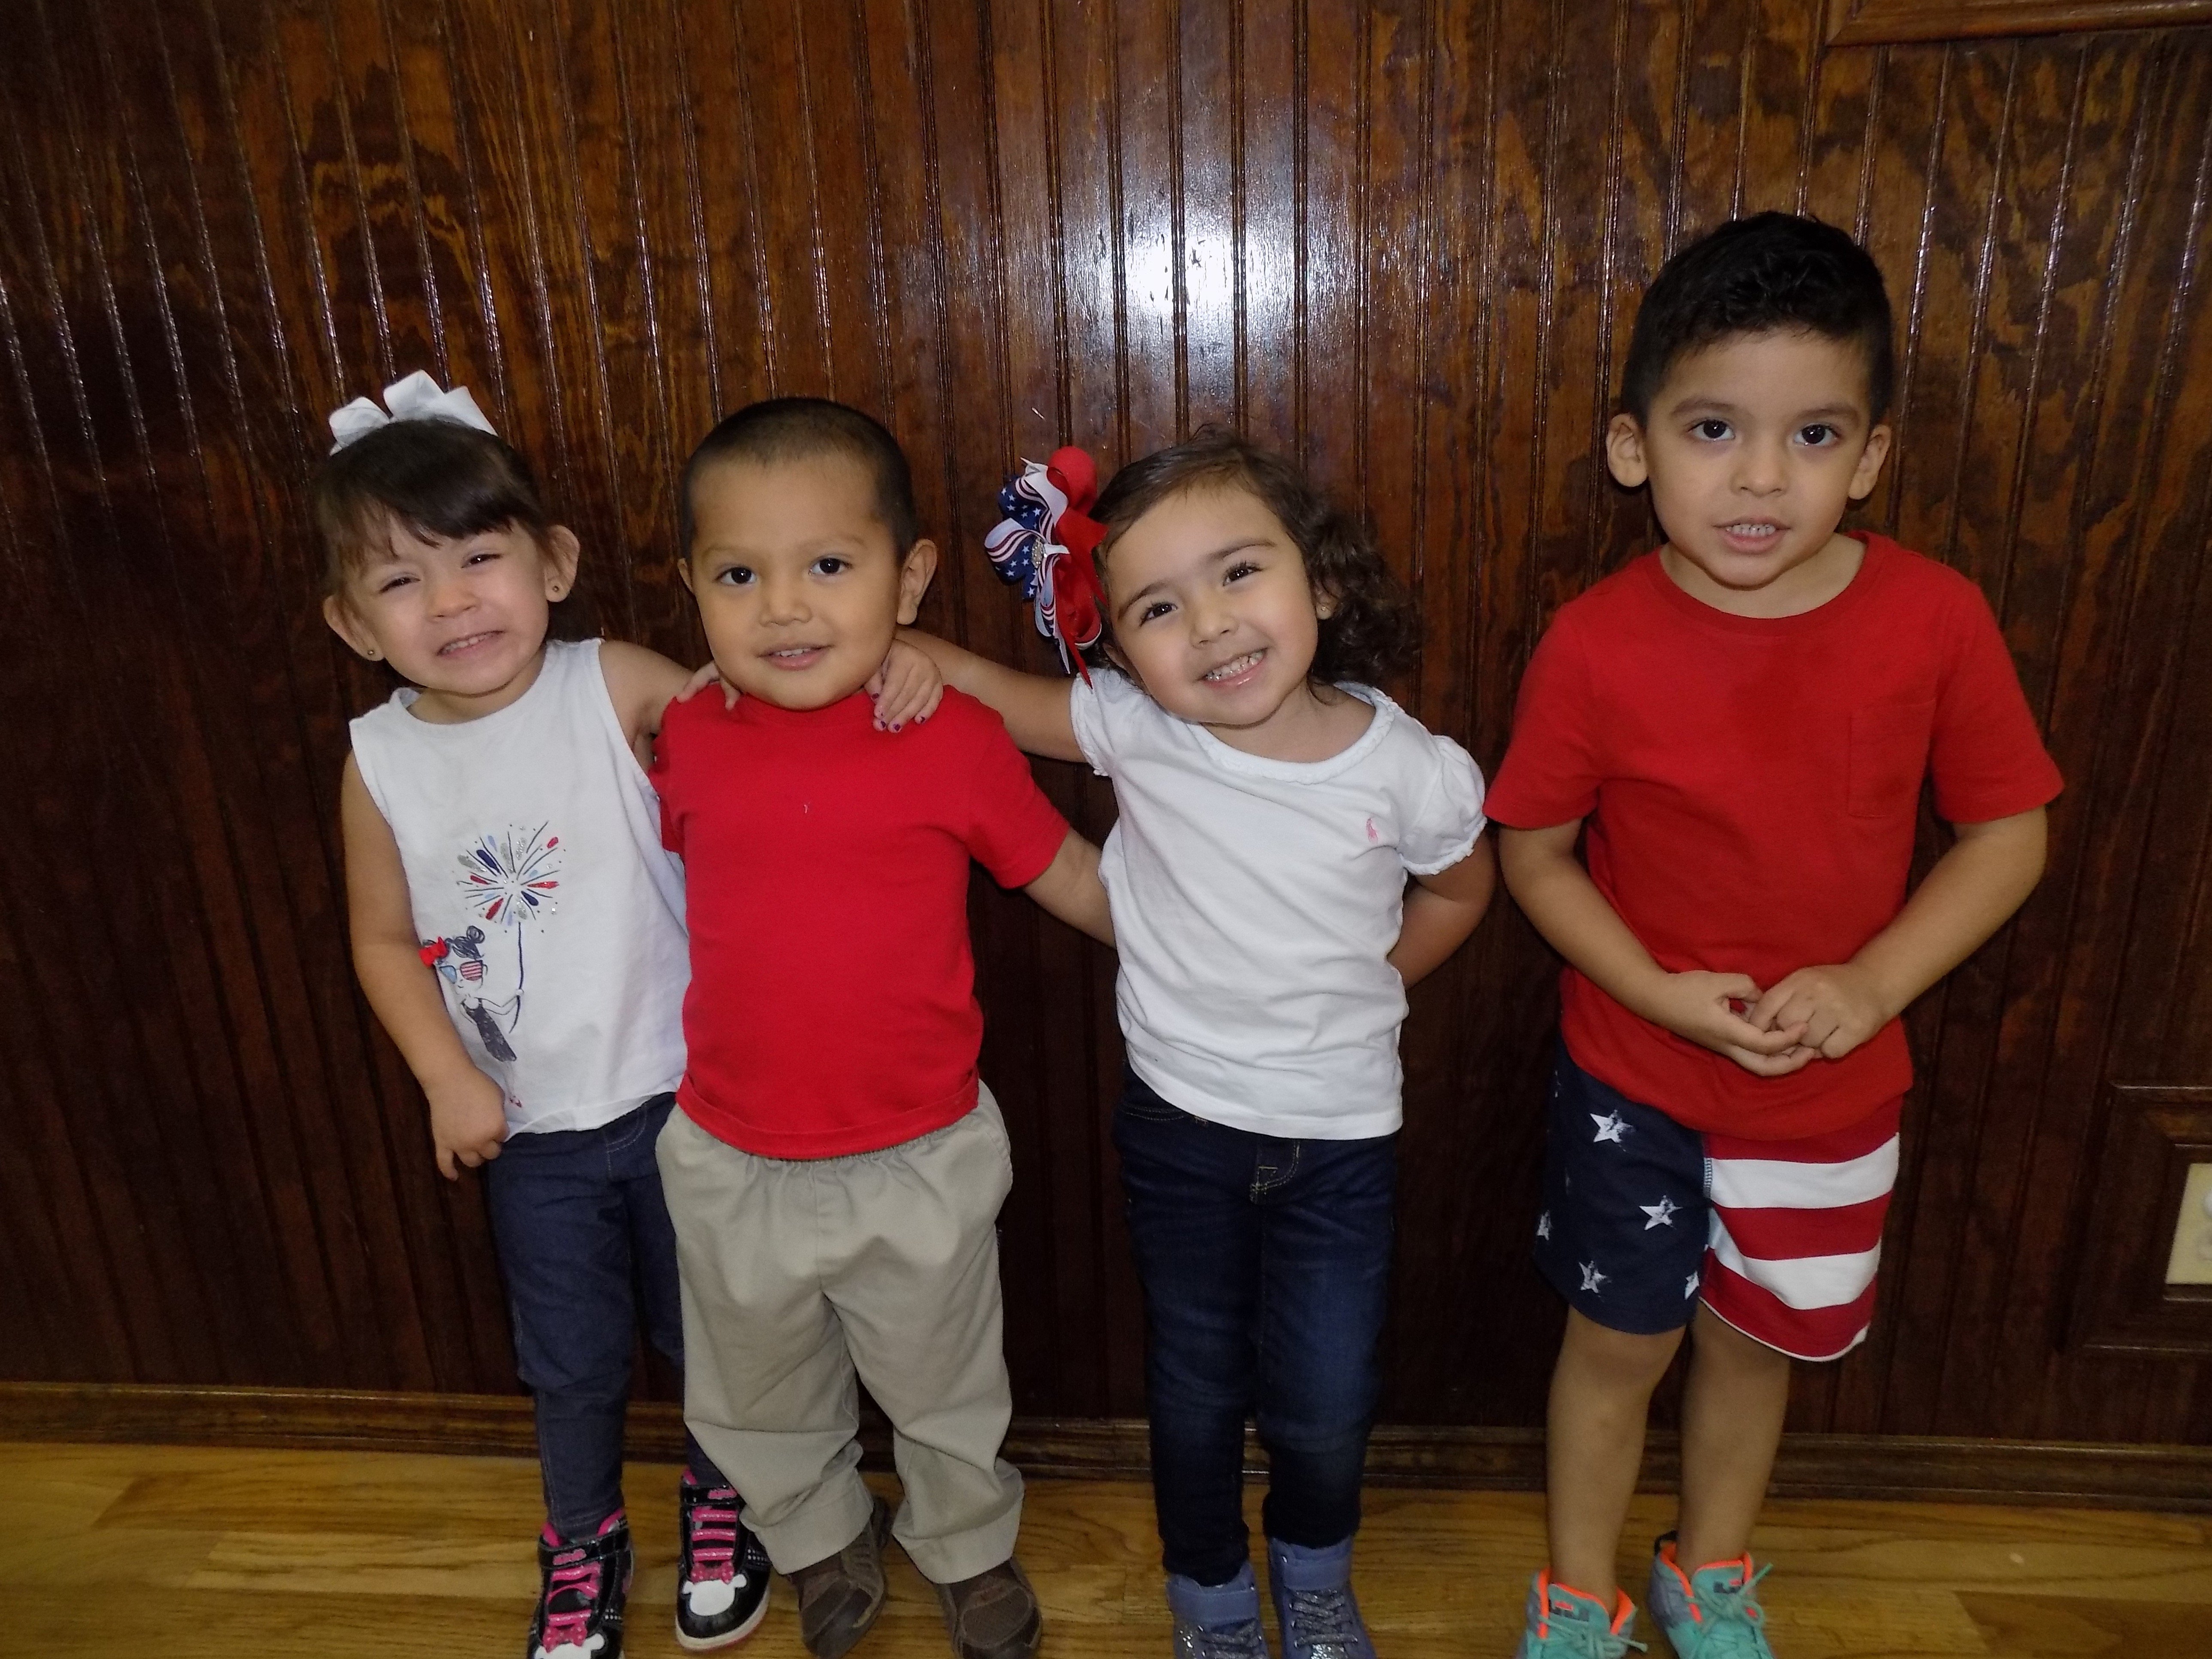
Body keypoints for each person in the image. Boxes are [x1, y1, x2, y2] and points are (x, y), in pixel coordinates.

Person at [1486, 215, 2062, 1658]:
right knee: (1619, 1347)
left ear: (1870, 457)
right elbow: (1535, 857)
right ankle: (1579, 1597)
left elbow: (2009, 835)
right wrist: (1657, 994)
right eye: (1713, 430)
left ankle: (1711, 1574)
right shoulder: (1594, 643)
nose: (1760, 478)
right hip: (1633, 1082)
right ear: (1634, 449)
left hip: (1830, 1095)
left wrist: (1875, 982)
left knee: (1757, 1348)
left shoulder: (1935, 620)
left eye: (1813, 435)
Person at [319, 375, 938, 1659]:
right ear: (352, 623)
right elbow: (380, 938)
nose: (451, 602)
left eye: (478, 559)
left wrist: (896, 661)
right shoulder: (379, 763)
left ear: (553, 565)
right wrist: (443, 1076)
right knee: (571, 1360)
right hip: (529, 1133)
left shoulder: (612, 685)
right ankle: (582, 1539)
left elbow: (771, 709)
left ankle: (728, 1499)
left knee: (722, 1335)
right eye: (400, 581)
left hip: (690, 1106)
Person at [905, 431, 1495, 1659]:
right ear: (1120, 654)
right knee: (1194, 1382)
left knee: (1328, 1395)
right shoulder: (1138, 729)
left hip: (1342, 1142)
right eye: (1159, 608)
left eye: (1239, 573)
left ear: (1318, 581)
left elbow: (1461, 887)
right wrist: (899, 657)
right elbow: (982, 687)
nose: (1213, 625)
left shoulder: (1409, 767)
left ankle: (1315, 1574)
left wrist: (1376, 983)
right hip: (1181, 1128)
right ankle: (1210, 1593)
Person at [650, 398, 1114, 1659]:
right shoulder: (683, 732)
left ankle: (966, 1545)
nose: (783, 609)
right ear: (693, 589)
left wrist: (1208, 953)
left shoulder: (950, 737)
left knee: (945, 1380)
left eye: (828, 567)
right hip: (732, 1151)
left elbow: (1072, 875)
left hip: (920, 1149)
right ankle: (815, 1535)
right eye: (739, 577)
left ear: (908, 581)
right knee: (758, 1389)